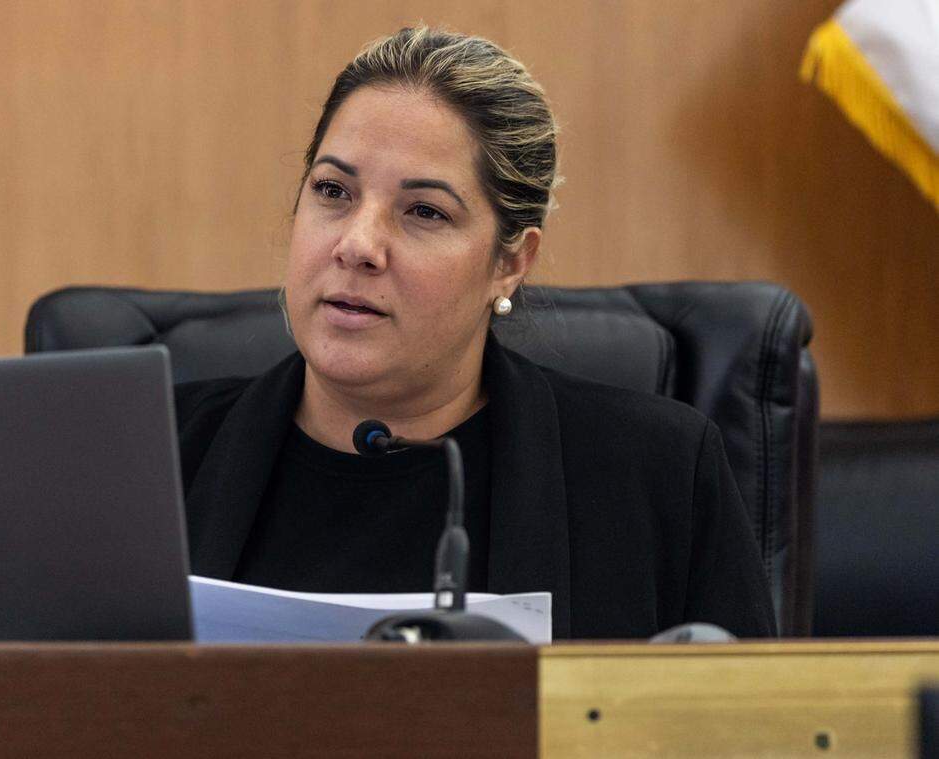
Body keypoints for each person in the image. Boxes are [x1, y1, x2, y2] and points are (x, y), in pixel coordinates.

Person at [174, 26, 776, 639]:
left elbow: (749, 731)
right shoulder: (154, 459)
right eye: (333, 190)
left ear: (510, 263)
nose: (357, 245)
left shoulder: (659, 474)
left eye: (425, 212)